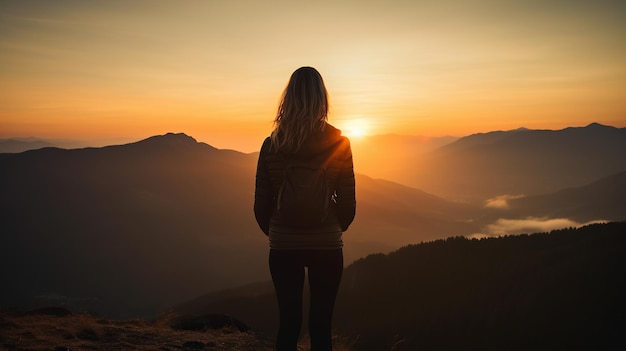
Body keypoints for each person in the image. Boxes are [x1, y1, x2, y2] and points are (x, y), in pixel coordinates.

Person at [254, 66, 356, 351]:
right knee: (321, 327)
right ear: (322, 99)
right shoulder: (340, 143)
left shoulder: (271, 145)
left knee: (288, 325)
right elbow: (348, 203)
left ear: (288, 98)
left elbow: (261, 204)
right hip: (327, 244)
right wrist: (332, 227)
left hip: (283, 244)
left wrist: (278, 231)